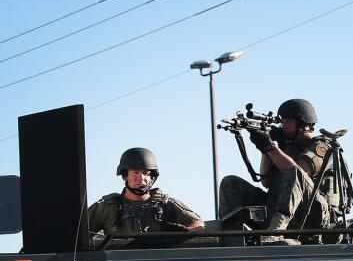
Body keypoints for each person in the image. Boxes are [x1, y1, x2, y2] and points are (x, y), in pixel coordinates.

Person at [219, 98, 332, 243]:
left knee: (294, 171)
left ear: (306, 124)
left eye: (288, 121)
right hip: (281, 211)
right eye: (282, 121)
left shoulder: (322, 147)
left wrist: (271, 147)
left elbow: (299, 172)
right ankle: (231, 237)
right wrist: (266, 147)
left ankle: (275, 232)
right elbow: (266, 181)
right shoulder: (285, 147)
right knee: (230, 183)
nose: (283, 125)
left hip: (315, 216)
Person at [86, 148, 203, 246]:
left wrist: (172, 239)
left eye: (146, 173)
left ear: (152, 177)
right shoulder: (107, 206)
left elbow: (198, 225)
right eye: (136, 172)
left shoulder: (165, 204)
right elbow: (78, 234)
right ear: (125, 175)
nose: (141, 178)